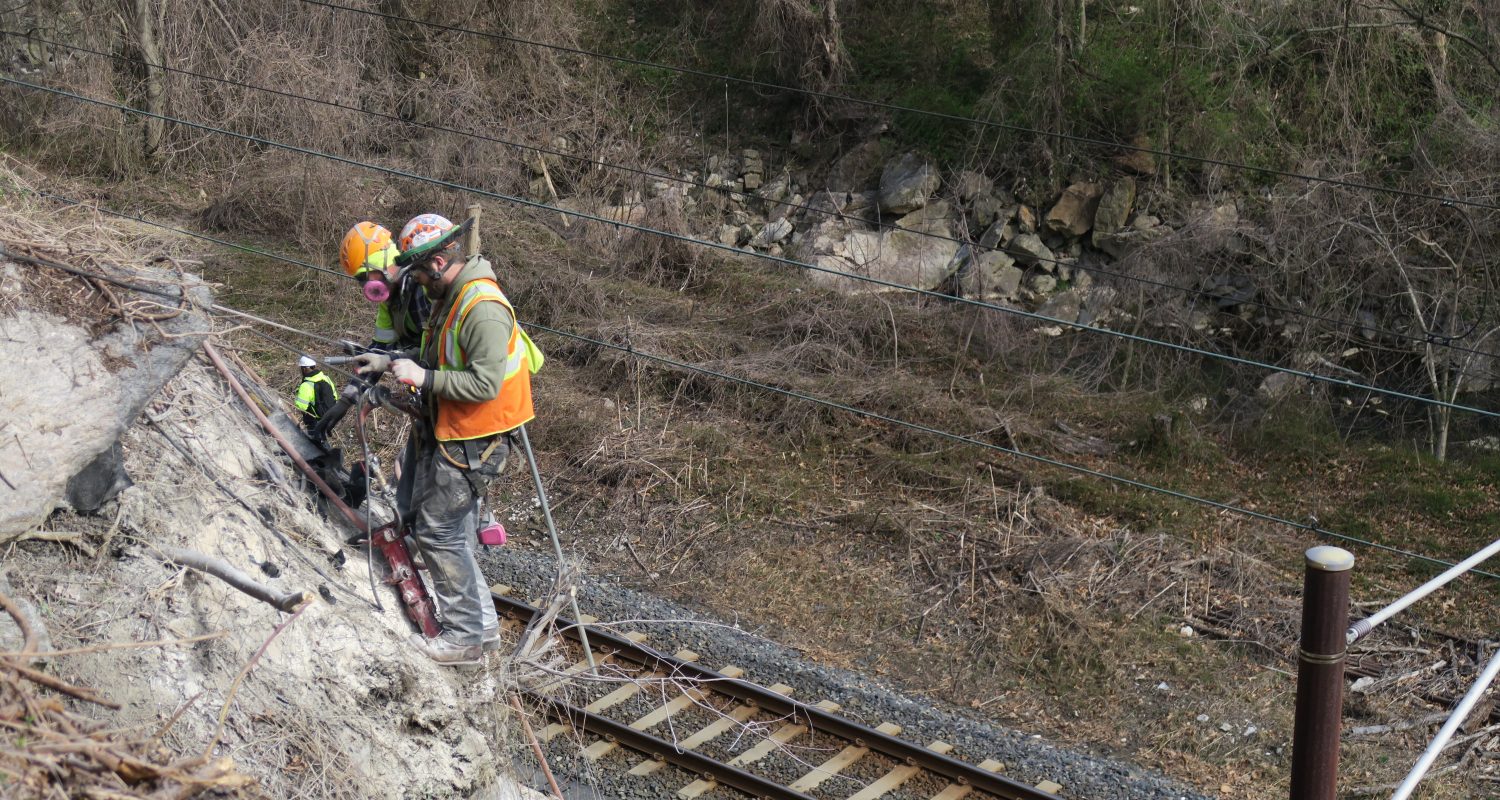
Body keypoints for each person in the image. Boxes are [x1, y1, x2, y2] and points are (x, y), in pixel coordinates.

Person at [354, 213, 542, 666]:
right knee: (435, 526)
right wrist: (390, 361)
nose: (414, 280)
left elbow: (485, 385)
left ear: (438, 262)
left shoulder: (482, 309)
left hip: (478, 435)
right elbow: (436, 350)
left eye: (417, 271)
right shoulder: (450, 297)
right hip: (454, 426)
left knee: (439, 533)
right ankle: (484, 631)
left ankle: (464, 639)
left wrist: (424, 377)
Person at [339, 221, 431, 352]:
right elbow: (382, 347)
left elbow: (435, 349)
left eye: (365, 276)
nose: (365, 285)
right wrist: (365, 359)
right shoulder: (389, 301)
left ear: (383, 263)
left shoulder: (423, 288)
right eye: (360, 280)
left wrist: (394, 359)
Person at [294, 355, 336, 432]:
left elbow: (301, 406)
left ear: (304, 369)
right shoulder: (327, 378)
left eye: (301, 368)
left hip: (314, 422)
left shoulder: (306, 385)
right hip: (330, 419)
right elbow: (335, 397)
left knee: (314, 441)